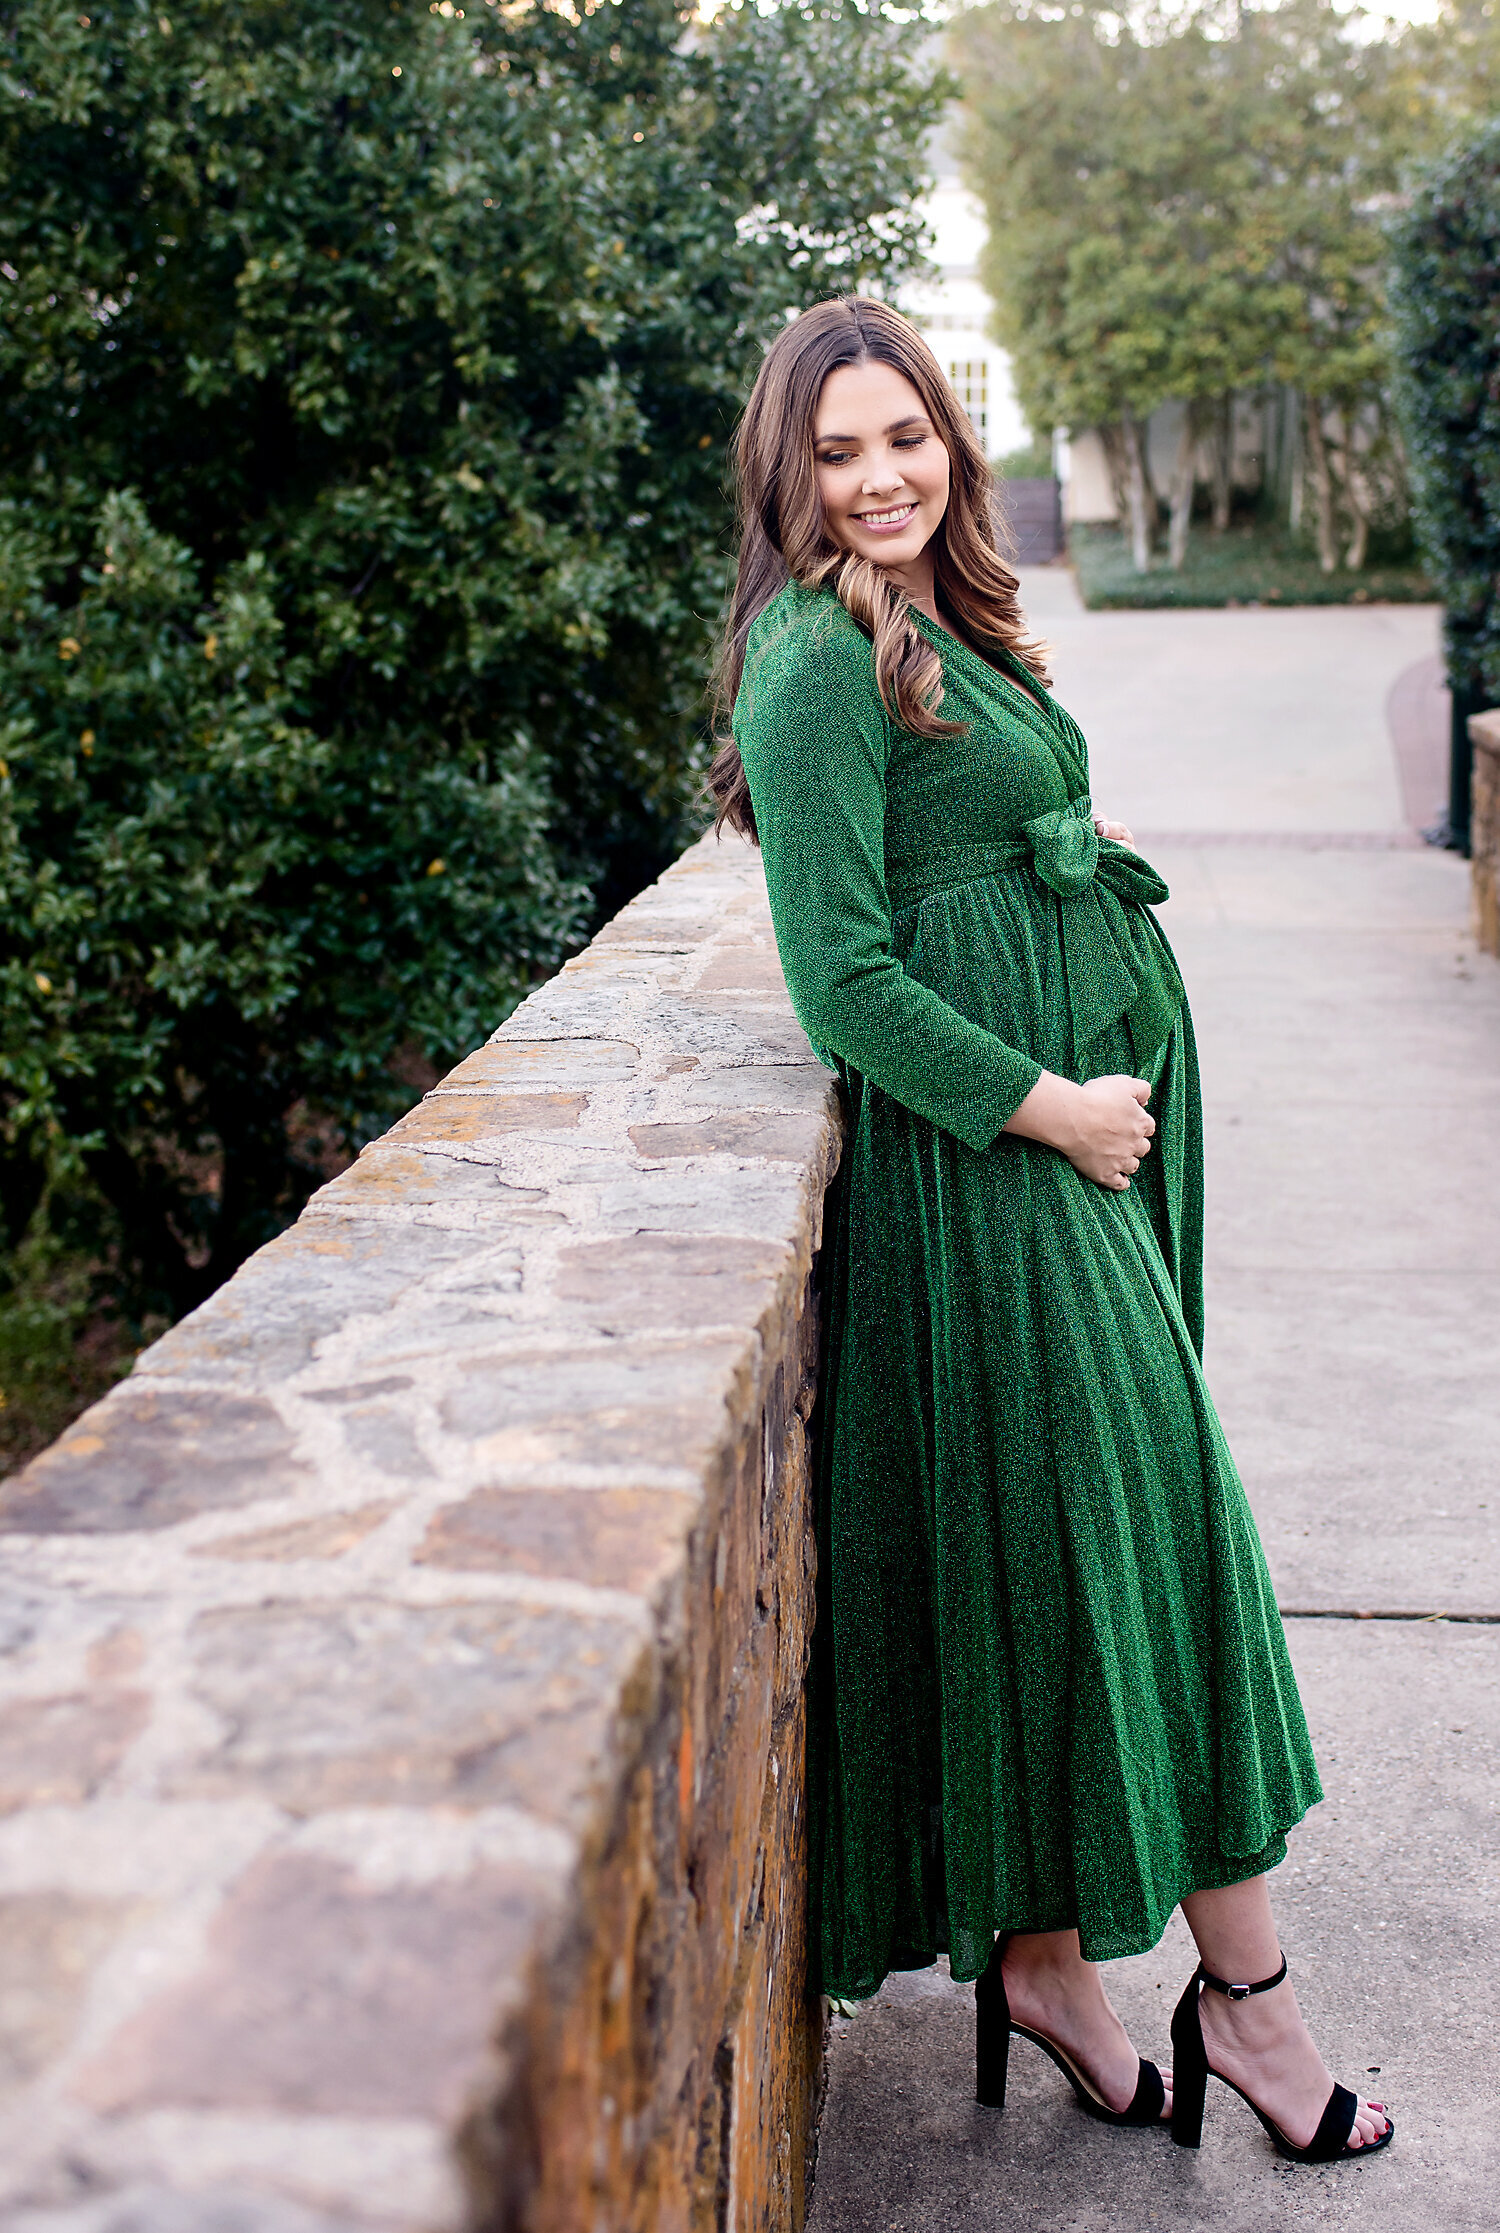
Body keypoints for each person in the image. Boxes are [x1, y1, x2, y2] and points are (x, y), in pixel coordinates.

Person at [708, 296, 1391, 2165]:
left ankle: (1050, 1972)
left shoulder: (938, 619)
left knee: (1064, 1565)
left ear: (949, 435)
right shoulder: (807, 663)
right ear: (789, 473)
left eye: (901, 438)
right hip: (990, 1180)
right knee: (1160, 1544)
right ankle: (1252, 2009)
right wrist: (1058, 1104)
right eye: (834, 453)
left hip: (1056, 1161)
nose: (875, 479)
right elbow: (842, 978)